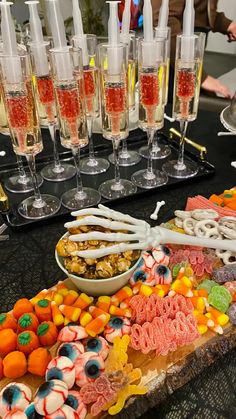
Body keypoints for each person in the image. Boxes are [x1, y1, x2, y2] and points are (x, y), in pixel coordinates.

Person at [135, 0, 236, 99]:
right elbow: (164, 17)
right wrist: (198, 76)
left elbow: (197, 9)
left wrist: (226, 24)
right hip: (170, 61)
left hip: (185, 61)